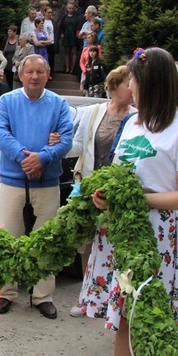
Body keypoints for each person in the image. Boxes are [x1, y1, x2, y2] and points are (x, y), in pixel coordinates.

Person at [82, 47, 178, 356]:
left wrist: (138, 199)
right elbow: (125, 174)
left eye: (133, 79)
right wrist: (106, 194)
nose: (128, 85)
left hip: (157, 237)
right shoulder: (135, 122)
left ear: (150, 82)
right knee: (125, 323)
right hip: (121, 232)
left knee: (152, 327)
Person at [0, 54, 73, 319]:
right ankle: (5, 292)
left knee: (46, 241)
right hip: (13, 180)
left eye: (40, 72)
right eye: (30, 72)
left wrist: (43, 158)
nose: (34, 77)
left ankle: (42, 296)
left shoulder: (59, 104)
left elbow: (66, 139)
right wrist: (26, 158)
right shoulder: (7, 101)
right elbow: (0, 134)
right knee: (7, 237)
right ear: (21, 73)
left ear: (48, 75)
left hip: (47, 182)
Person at [66, 65, 135, 318]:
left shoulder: (137, 117)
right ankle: (89, 298)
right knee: (89, 244)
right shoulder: (93, 112)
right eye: (129, 83)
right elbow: (78, 145)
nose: (132, 89)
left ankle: (118, 300)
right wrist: (55, 146)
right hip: (91, 187)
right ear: (115, 86)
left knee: (118, 244)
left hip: (119, 191)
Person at [60, 3, 79, 74]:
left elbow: (77, 26)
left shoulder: (76, 17)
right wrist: (62, 33)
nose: (70, 10)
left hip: (73, 35)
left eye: (72, 8)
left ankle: (72, 68)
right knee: (66, 52)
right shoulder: (64, 17)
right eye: (69, 8)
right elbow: (61, 26)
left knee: (74, 52)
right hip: (66, 35)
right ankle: (67, 68)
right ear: (67, 9)